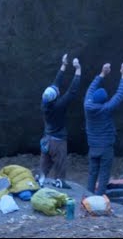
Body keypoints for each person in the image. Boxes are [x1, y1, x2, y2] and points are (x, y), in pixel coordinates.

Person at [83, 60, 123, 195]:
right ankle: (99, 200)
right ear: (104, 100)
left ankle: (88, 199)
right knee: (104, 175)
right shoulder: (106, 108)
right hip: (106, 147)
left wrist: (102, 73)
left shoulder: (87, 105)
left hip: (93, 147)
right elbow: (119, 95)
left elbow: (90, 89)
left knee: (92, 173)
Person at [37, 52, 82, 188]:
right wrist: (78, 69)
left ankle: (40, 179)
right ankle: (60, 181)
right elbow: (72, 91)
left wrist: (63, 65)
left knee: (45, 161)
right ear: (55, 97)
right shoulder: (59, 106)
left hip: (47, 139)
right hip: (58, 141)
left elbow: (55, 83)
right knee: (60, 162)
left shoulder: (45, 103)